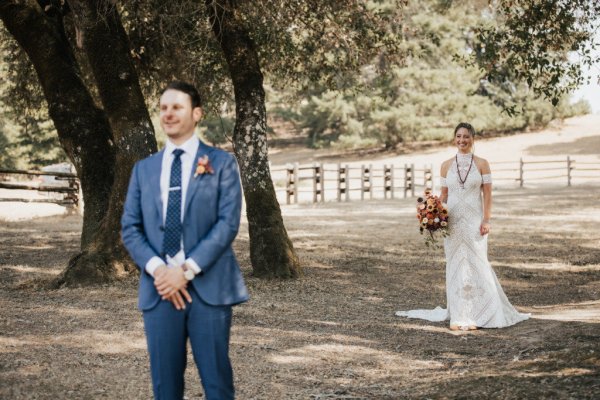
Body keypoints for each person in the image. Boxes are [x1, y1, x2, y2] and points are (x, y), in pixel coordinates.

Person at [121, 80, 248, 399]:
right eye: (163, 108)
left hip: (209, 290)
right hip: (159, 290)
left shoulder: (221, 164)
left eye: (177, 107)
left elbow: (227, 223)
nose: (168, 114)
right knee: (165, 388)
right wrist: (160, 272)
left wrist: (186, 270)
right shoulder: (143, 170)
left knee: (217, 385)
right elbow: (130, 228)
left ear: (197, 113)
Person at [396, 122, 529, 330]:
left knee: (478, 263)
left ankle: (484, 312)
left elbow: (487, 194)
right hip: (454, 223)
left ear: (472, 138)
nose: (462, 140)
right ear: (454, 138)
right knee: (455, 263)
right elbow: (444, 196)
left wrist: (486, 219)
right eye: (458, 136)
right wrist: (432, 212)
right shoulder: (445, 165)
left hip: (475, 221)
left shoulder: (483, 164)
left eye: (466, 136)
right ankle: (460, 314)